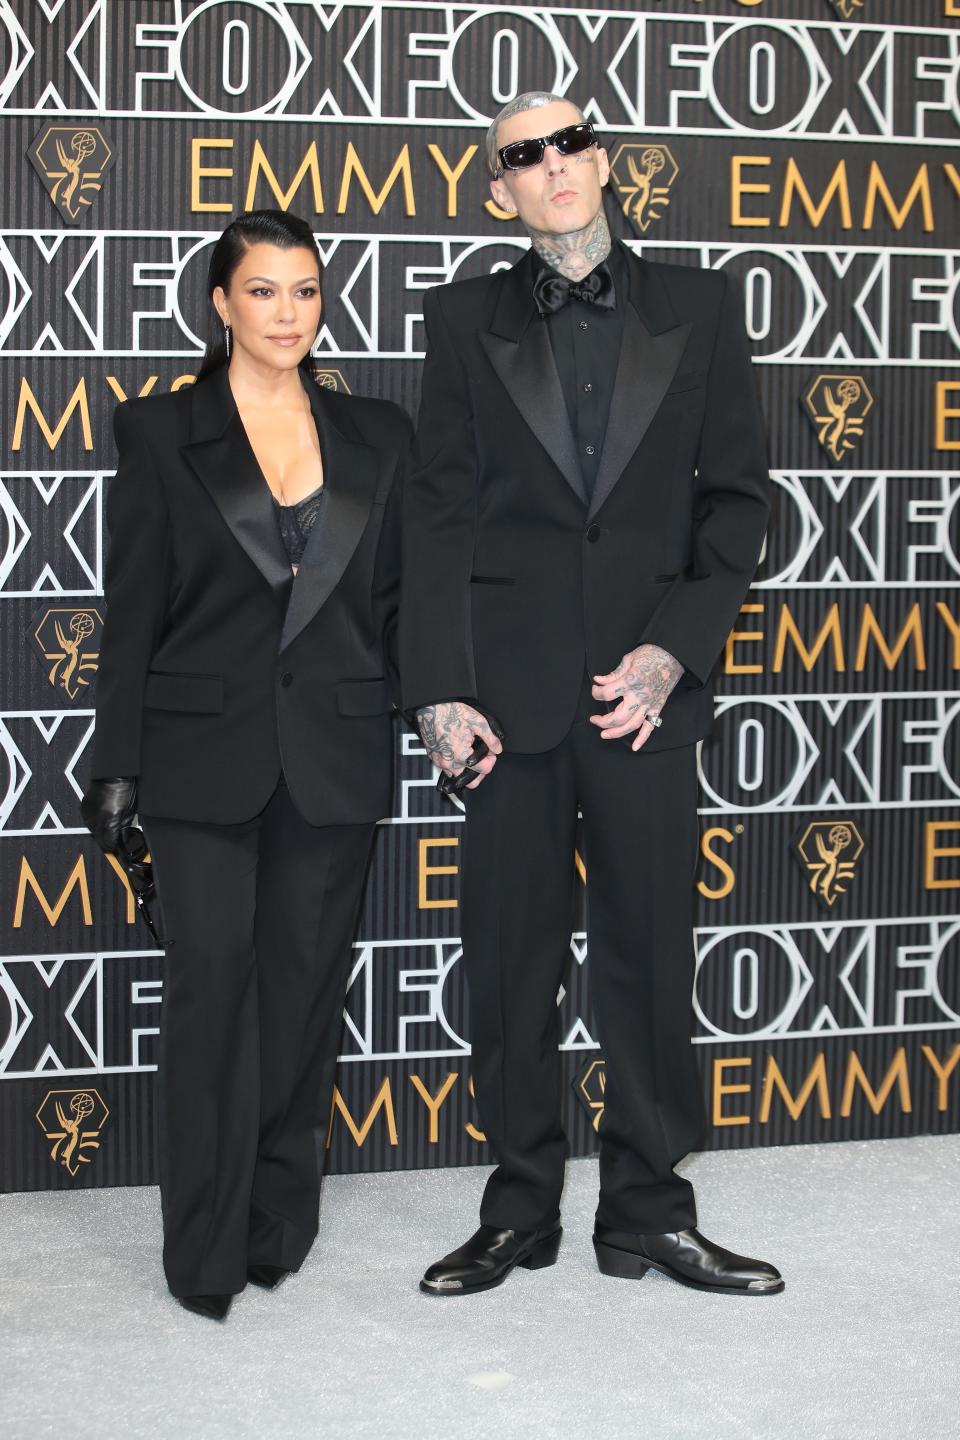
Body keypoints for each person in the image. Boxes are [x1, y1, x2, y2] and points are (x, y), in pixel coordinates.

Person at [400, 94, 783, 1297]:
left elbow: (736, 504)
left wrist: (674, 653)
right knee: (510, 966)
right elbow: (438, 516)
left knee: (650, 962)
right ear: (498, 188)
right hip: (507, 710)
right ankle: (520, 1210)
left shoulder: (702, 307)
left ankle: (649, 1212)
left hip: (648, 698)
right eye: (524, 155)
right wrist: (439, 692)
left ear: (605, 162)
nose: (553, 166)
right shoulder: (464, 318)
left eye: (570, 143)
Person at [81, 210, 411, 1320]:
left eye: (305, 291)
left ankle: (281, 1217)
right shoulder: (161, 430)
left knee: (305, 998)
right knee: (211, 996)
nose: (286, 313)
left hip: (333, 751)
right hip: (197, 757)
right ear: (220, 303)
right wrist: (115, 759)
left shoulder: (380, 436)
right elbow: (131, 612)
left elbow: (399, 605)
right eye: (263, 291)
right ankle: (204, 1244)